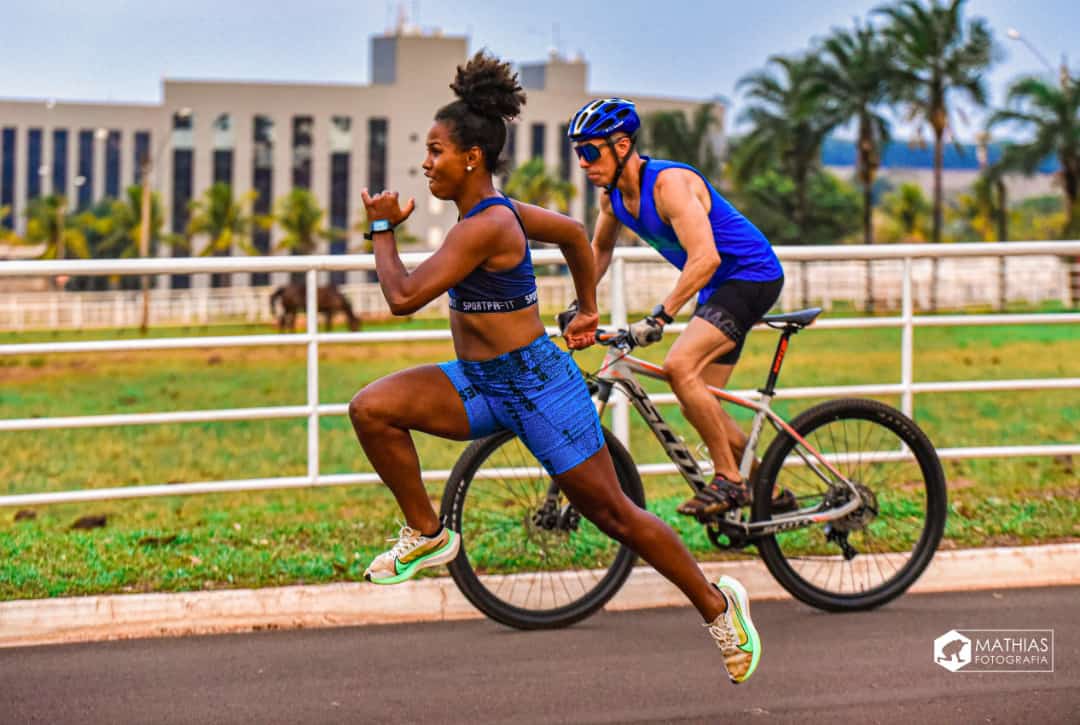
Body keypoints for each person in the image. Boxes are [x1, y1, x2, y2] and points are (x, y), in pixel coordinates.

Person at [348, 53, 760, 683]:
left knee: (616, 516)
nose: (426, 163)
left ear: (472, 158)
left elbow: (402, 297)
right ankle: (427, 531)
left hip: (540, 388)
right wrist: (587, 307)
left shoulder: (483, 228)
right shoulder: (503, 213)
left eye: (435, 151)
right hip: (480, 384)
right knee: (371, 409)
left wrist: (381, 227)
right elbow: (572, 232)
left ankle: (718, 606)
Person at [565, 97, 792, 518]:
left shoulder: (668, 185)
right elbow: (600, 250)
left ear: (621, 146)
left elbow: (706, 257)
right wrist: (581, 304)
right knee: (699, 401)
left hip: (750, 275)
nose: (583, 163)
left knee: (679, 367)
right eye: (578, 153)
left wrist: (660, 316)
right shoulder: (613, 198)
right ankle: (769, 492)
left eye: (590, 151)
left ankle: (729, 480)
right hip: (715, 288)